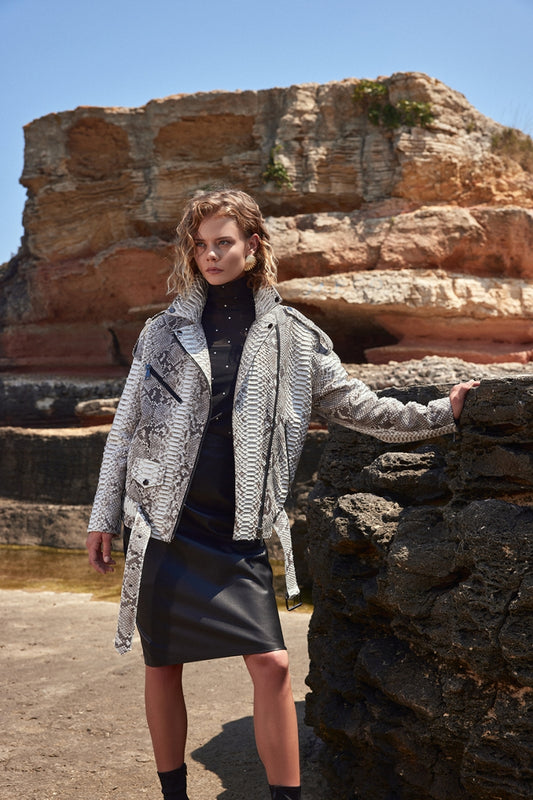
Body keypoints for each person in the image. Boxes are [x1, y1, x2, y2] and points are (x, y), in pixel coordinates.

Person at [86, 189, 477, 800]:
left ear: (253, 246)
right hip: (166, 523)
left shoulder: (295, 337)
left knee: (272, 664)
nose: (210, 255)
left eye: (223, 242)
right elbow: (126, 426)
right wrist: (102, 515)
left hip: (236, 530)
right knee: (162, 665)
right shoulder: (160, 333)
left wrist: (441, 415)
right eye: (200, 244)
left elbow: (359, 407)